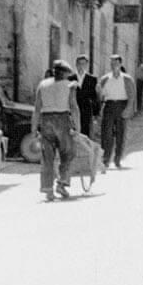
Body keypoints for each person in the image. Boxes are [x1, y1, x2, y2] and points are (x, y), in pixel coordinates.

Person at [31, 59, 80, 201]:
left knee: (47, 156)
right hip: (62, 119)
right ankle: (62, 183)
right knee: (68, 152)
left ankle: (48, 189)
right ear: (65, 74)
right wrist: (77, 127)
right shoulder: (70, 85)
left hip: (46, 120)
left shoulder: (43, 84)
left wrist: (34, 128)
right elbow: (74, 107)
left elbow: (37, 108)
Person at [98, 53, 135, 168]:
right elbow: (100, 95)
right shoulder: (105, 78)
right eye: (112, 63)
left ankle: (117, 158)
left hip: (121, 105)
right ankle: (105, 159)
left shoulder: (127, 79)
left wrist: (129, 109)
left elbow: (132, 95)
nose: (114, 65)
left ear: (120, 63)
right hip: (109, 106)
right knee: (106, 134)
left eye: (116, 62)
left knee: (121, 133)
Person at [73, 54, 99, 138]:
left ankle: (84, 151)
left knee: (85, 133)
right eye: (79, 64)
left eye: (83, 64)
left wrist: (95, 114)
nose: (81, 66)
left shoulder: (92, 79)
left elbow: (94, 96)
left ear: (86, 65)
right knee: (73, 133)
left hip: (86, 109)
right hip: (73, 109)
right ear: (76, 65)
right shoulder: (70, 78)